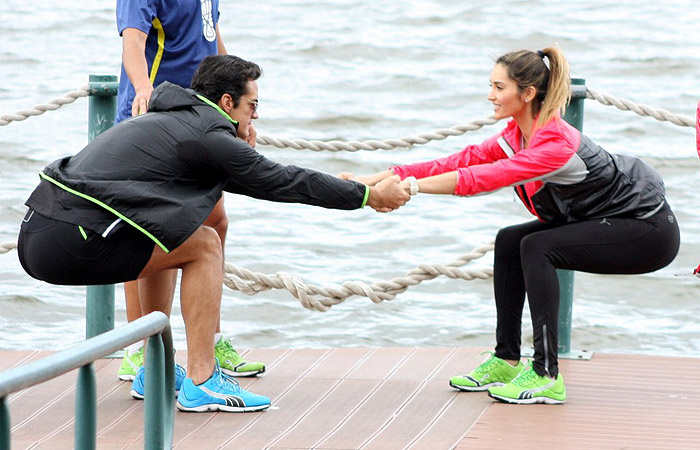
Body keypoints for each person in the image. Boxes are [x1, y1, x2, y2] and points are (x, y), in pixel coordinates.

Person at [17, 55, 410, 412]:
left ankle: (154, 371)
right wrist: (367, 195)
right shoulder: (206, 136)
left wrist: (346, 188)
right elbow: (278, 180)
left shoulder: (175, 122)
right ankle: (202, 380)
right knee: (204, 244)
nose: (255, 117)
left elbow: (258, 177)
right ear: (226, 102)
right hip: (70, 240)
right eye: (252, 106)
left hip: (42, 233)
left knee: (170, 233)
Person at [345, 46, 680, 404]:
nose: (490, 95)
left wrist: (408, 188)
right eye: (491, 85)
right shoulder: (515, 136)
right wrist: (368, 180)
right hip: (608, 221)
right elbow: (459, 160)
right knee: (510, 240)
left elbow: (486, 177)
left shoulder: (555, 144)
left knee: (538, 247)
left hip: (647, 233)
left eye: (499, 87)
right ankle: (506, 359)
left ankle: (546, 374)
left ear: (528, 93)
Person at [114, 0, 263, 381]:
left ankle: (211, 340)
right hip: (154, 119)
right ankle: (139, 348)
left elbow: (214, 44)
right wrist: (144, 89)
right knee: (141, 231)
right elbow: (133, 41)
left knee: (215, 222)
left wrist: (240, 110)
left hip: (203, 119)